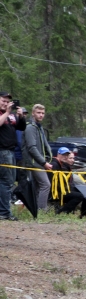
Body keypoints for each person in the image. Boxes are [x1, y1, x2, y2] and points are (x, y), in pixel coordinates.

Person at [22, 104, 53, 211]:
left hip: (39, 162)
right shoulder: (30, 127)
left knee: (37, 186)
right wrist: (43, 162)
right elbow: (31, 148)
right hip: (34, 162)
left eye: (43, 113)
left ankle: (34, 209)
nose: (41, 115)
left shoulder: (39, 128)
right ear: (33, 113)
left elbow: (44, 146)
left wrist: (47, 158)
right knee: (45, 184)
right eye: (38, 113)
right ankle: (42, 210)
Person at [0, 92, 26, 220]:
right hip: (2, 151)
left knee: (7, 181)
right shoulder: (4, 114)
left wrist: (20, 117)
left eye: (7, 101)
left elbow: (21, 128)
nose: (5, 103)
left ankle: (3, 210)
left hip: (11, 151)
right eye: (3, 101)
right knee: (6, 182)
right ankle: (4, 212)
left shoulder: (10, 115)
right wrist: (6, 113)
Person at [48, 147, 86, 218]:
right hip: (55, 192)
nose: (65, 157)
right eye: (63, 155)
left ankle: (83, 214)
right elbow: (53, 183)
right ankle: (62, 213)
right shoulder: (54, 164)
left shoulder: (62, 164)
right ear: (58, 154)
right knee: (79, 196)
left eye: (66, 155)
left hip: (64, 189)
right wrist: (66, 189)